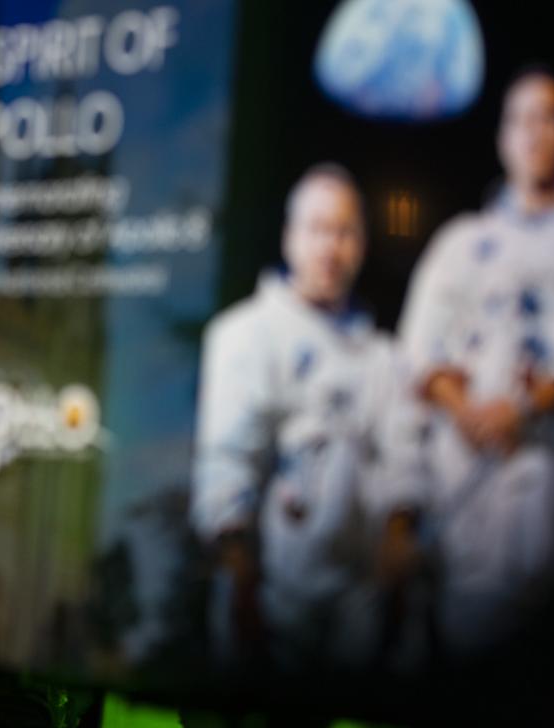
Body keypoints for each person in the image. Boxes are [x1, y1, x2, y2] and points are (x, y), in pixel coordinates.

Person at [394, 67, 554, 661]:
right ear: (503, 138)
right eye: (519, 120)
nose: (532, 133)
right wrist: (465, 408)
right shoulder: (460, 242)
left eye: (546, 118)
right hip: (456, 497)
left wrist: (527, 406)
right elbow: (418, 350)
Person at [191, 163, 417, 672]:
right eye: (317, 230)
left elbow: (403, 461)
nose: (330, 248)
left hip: (359, 608)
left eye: (344, 232)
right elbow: (226, 463)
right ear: (290, 237)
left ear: (361, 244)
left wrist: (398, 547)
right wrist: (239, 576)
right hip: (267, 601)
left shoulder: (384, 357)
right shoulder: (243, 335)